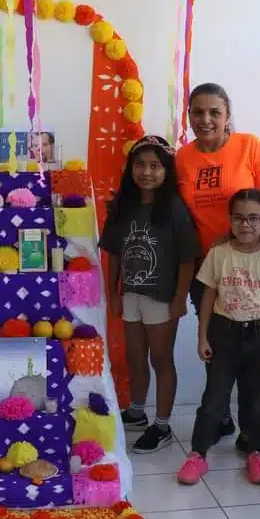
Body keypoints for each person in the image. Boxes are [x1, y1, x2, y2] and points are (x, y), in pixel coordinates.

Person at [176, 83, 260, 449]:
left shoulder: (248, 146)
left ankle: (251, 434)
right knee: (217, 349)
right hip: (207, 269)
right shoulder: (183, 158)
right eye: (197, 112)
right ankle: (221, 417)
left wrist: (248, 237)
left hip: (252, 267)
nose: (205, 119)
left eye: (214, 112)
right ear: (188, 115)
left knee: (255, 351)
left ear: (227, 117)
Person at [177, 189, 260, 486]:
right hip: (223, 334)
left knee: (257, 401)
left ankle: (255, 450)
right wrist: (202, 337)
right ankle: (197, 454)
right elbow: (207, 297)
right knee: (214, 398)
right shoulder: (218, 254)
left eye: (254, 218)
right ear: (230, 220)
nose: (246, 225)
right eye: (239, 218)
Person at [100, 136, 199, 453]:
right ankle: (137, 411)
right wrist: (112, 294)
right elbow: (114, 254)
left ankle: (163, 425)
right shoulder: (123, 206)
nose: (146, 172)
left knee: (161, 358)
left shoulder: (173, 208)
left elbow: (187, 258)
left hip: (161, 297)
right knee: (134, 356)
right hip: (131, 295)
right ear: (130, 169)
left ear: (166, 170)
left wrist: (180, 298)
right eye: (140, 164)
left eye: (155, 165)